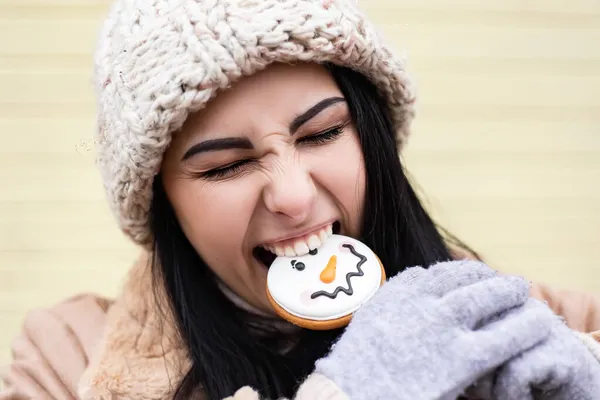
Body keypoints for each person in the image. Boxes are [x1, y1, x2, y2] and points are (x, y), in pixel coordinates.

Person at [2, 0, 600, 399]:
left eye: (321, 134)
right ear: (164, 205)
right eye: (226, 165)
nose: (292, 195)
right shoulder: (63, 360)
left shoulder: (546, 325)